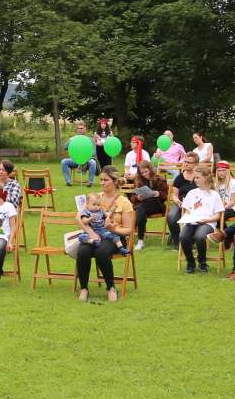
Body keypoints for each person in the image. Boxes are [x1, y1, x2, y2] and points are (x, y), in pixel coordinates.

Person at [72, 166, 135, 302]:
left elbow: (129, 230)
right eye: (101, 180)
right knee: (83, 251)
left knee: (101, 251)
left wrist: (113, 229)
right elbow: (79, 217)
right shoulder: (95, 197)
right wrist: (91, 233)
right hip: (93, 235)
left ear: (115, 181)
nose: (102, 183)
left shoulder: (124, 203)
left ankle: (111, 287)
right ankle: (84, 288)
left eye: (105, 180)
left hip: (114, 237)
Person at [129, 160, 168, 251]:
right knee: (141, 210)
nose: (144, 174)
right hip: (143, 206)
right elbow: (133, 198)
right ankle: (140, 241)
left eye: (146, 171)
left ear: (150, 169)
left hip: (157, 205)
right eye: (142, 173)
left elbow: (165, 195)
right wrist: (138, 197)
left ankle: (133, 234)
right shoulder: (138, 180)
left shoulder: (159, 179)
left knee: (140, 208)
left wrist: (157, 193)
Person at [164, 154, 200, 248]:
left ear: (196, 164)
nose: (186, 164)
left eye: (189, 162)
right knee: (171, 217)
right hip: (181, 203)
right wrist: (177, 201)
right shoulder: (179, 178)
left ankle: (190, 240)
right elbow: (174, 194)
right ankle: (176, 241)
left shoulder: (199, 177)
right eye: (185, 161)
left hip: (196, 205)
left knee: (191, 218)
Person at [60, 121, 99, 186]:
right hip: (75, 160)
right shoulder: (74, 139)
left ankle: (90, 182)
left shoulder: (90, 139)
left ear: (85, 129)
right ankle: (68, 181)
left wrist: (84, 157)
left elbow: (94, 152)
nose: (80, 130)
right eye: (78, 128)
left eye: (81, 128)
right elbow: (64, 147)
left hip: (87, 160)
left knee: (93, 162)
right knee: (64, 161)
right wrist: (70, 140)